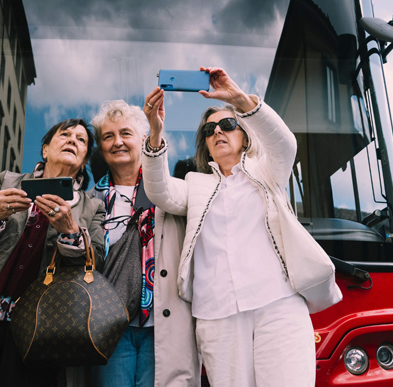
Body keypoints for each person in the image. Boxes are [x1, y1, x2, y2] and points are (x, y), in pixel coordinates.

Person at [141, 67, 342, 387]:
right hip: (217, 315)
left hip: (279, 306)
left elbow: (285, 144)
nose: (218, 132)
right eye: (209, 130)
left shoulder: (267, 172)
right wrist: (154, 133)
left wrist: (240, 100)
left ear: (245, 135)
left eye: (228, 124)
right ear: (206, 145)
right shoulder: (195, 184)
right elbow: (159, 191)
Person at [0, 118, 106, 387]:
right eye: (65, 134)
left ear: (83, 162)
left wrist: (71, 231)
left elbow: (96, 263)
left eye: (81, 140)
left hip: (41, 326)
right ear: (45, 150)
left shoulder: (92, 207)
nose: (72, 140)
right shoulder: (7, 181)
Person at [90, 100, 199, 387]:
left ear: (142, 139)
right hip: (110, 326)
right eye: (108, 136)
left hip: (163, 323)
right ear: (101, 147)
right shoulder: (92, 200)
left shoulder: (172, 193)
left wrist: (157, 134)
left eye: (125, 133)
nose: (117, 142)